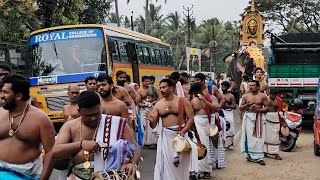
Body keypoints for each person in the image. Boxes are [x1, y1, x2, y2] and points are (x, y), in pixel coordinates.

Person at [52, 91, 141, 179]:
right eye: (88, 115)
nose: (93, 118)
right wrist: (81, 144)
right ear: (79, 111)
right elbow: (55, 152)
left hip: (111, 176)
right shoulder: (70, 126)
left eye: (96, 113)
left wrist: (132, 163)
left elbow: (135, 148)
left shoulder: (118, 123)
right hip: (78, 176)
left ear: (100, 107)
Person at [0, 74, 56, 179]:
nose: (1, 95)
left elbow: (50, 152)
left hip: (27, 174)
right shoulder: (0, 112)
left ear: (18, 96)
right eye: (2, 91)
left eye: (5, 92)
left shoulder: (41, 119)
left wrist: (44, 178)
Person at [145, 78, 195, 180]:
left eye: (164, 87)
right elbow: (154, 126)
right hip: (166, 137)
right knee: (168, 164)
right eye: (160, 88)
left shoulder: (183, 101)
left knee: (181, 165)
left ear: (171, 88)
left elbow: (191, 118)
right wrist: (151, 121)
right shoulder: (158, 104)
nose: (161, 90)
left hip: (181, 136)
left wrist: (183, 131)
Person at [189, 82, 221, 179]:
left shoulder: (211, 97)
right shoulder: (192, 100)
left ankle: (207, 170)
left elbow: (217, 108)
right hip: (198, 123)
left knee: (208, 145)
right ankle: (198, 169)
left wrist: (205, 101)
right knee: (199, 145)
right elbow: (191, 114)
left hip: (209, 122)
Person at [239, 80, 269, 165]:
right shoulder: (245, 96)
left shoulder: (263, 96)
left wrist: (258, 110)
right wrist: (246, 105)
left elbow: (267, 108)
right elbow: (240, 108)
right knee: (249, 137)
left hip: (259, 118)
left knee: (259, 138)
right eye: (250, 85)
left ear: (258, 87)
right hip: (248, 118)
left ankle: (259, 157)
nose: (251, 87)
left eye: (253, 85)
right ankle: (250, 155)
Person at [137, 76, 161, 148]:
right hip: (143, 109)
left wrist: (156, 102)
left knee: (152, 124)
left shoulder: (153, 88)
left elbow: (160, 95)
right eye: (146, 81)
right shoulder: (139, 91)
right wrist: (144, 105)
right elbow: (137, 102)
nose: (148, 83)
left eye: (149, 81)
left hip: (152, 108)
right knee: (144, 125)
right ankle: (145, 142)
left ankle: (154, 142)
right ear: (142, 82)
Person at [264, 89, 283, 160]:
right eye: (273, 94)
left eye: (275, 95)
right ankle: (265, 151)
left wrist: (283, 121)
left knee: (275, 136)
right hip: (266, 119)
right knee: (265, 135)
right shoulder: (265, 99)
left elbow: (280, 111)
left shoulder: (278, 100)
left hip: (275, 119)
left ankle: (275, 153)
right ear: (270, 93)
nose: (274, 96)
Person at [220, 81, 237, 150]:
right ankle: (224, 143)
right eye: (222, 86)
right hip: (222, 112)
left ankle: (230, 143)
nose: (222, 88)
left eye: (224, 86)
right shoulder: (219, 95)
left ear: (227, 87)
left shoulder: (231, 96)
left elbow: (234, 106)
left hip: (229, 113)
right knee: (222, 127)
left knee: (230, 127)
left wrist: (227, 105)